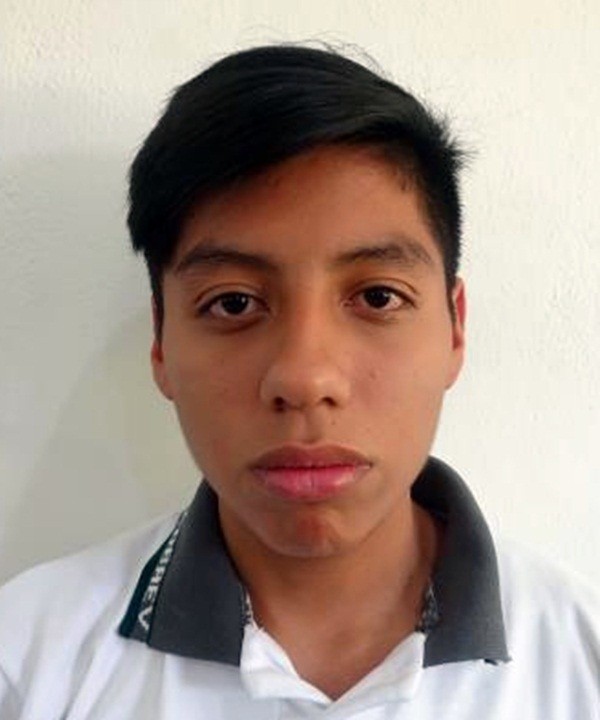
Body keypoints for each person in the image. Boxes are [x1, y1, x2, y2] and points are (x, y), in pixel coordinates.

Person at [0, 44, 598, 719]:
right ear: (161, 343)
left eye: (377, 297)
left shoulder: (581, 661)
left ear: (454, 329)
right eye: (233, 303)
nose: (306, 379)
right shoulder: (27, 664)